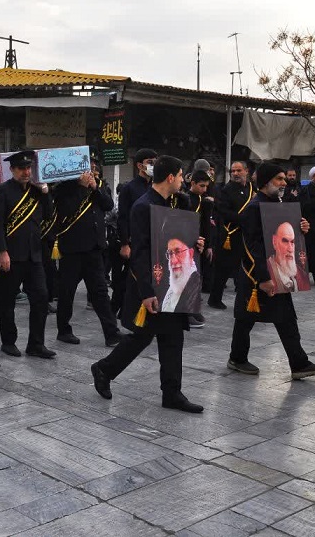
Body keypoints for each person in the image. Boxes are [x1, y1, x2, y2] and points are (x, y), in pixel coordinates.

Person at [91, 156, 205, 413]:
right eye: (180, 175)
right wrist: (146, 292)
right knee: (142, 337)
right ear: (170, 177)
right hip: (151, 285)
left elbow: (179, 239)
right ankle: (104, 369)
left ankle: (171, 393)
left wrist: (195, 243)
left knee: (171, 338)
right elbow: (140, 253)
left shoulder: (177, 202)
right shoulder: (143, 206)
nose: (182, 180)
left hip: (172, 283)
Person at [226, 163, 315, 380]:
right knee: (246, 319)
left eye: (284, 178)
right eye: (279, 179)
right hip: (258, 276)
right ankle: (238, 358)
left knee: (284, 319)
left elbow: (289, 236)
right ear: (266, 182)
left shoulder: (281, 205)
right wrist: (263, 278)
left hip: (278, 275)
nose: (284, 183)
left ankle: (298, 363)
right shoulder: (254, 207)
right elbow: (251, 246)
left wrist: (301, 229)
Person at [0, 151, 55, 358]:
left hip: (34, 255)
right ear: (12, 170)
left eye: (28, 168)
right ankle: (8, 342)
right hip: (11, 255)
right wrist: (2, 251)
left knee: (41, 298)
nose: (26, 172)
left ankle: (36, 344)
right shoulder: (3, 190)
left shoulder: (36, 191)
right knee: (7, 301)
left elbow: (49, 214)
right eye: (21, 169)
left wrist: (45, 192)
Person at [52, 169, 125, 347]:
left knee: (100, 292)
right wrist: (82, 188)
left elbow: (108, 205)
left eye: (92, 168)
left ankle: (112, 333)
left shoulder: (98, 185)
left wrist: (94, 188)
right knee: (67, 291)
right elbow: (67, 211)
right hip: (73, 248)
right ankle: (63, 330)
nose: (89, 172)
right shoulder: (63, 188)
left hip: (94, 247)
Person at [112, 148, 158, 316]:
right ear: (139, 165)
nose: (153, 165)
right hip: (133, 242)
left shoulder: (155, 187)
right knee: (126, 280)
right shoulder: (129, 188)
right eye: (150, 162)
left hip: (150, 242)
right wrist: (125, 244)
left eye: (155, 162)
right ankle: (113, 310)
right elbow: (122, 218)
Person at [209, 161, 255, 309]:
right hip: (230, 233)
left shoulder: (251, 188)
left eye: (238, 170)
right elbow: (223, 211)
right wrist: (244, 219)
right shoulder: (226, 190)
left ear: (246, 171)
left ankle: (246, 298)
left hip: (246, 234)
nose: (235, 174)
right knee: (223, 269)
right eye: (233, 171)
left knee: (246, 267)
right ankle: (214, 299)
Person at [185, 169, 214, 327]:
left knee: (197, 277)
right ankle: (186, 311)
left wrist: (209, 245)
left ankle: (194, 308)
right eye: (201, 186)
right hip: (185, 243)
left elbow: (206, 226)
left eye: (206, 186)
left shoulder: (205, 202)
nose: (204, 189)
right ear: (193, 183)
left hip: (200, 245)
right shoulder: (184, 198)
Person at [160, 237, 202, 313]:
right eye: (170, 253)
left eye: (178, 252)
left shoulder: (194, 282)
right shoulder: (170, 284)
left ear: (190, 254)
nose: (173, 261)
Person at [266, 222, 310, 292]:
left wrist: (304, 226)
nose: (290, 249)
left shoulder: (301, 275)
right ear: (274, 242)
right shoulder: (266, 271)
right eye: (285, 241)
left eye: (292, 242)